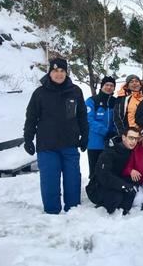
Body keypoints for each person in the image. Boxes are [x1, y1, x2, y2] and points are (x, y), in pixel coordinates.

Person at [23, 57, 88, 214]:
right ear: (50, 72)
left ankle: (73, 211)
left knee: (72, 179)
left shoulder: (75, 91)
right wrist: (28, 139)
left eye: (62, 71)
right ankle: (52, 213)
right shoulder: (39, 93)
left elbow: (82, 116)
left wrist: (85, 135)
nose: (59, 74)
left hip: (70, 143)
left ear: (66, 73)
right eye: (55, 71)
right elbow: (31, 117)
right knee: (50, 180)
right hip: (47, 145)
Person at [85, 127, 140, 215]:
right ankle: (102, 206)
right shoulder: (110, 152)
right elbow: (103, 175)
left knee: (128, 200)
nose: (133, 141)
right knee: (116, 198)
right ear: (123, 137)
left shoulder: (133, 152)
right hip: (98, 186)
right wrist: (123, 185)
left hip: (117, 184)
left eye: (136, 139)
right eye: (131, 138)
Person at [86, 76, 117, 177]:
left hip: (110, 143)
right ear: (102, 86)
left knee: (109, 171)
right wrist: (105, 131)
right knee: (95, 172)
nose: (109, 87)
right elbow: (89, 120)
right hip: (95, 143)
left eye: (112, 85)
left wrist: (114, 133)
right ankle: (93, 191)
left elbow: (117, 120)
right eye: (106, 85)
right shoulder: (92, 101)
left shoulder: (115, 102)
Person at [113, 74, 143, 139]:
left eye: (136, 81)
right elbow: (118, 118)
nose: (134, 83)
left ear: (140, 84)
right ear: (127, 85)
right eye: (131, 82)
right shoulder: (122, 99)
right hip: (130, 136)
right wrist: (123, 135)